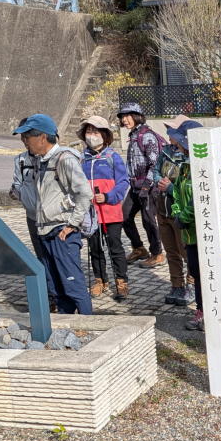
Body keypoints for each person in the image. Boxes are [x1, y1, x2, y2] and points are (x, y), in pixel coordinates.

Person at [12, 113, 94, 315]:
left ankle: (89, 325)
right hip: (44, 230)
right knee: (57, 287)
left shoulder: (64, 159)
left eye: (27, 137)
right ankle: (65, 325)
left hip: (61, 231)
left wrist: (72, 224)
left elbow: (85, 193)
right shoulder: (40, 161)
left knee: (73, 285)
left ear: (42, 137)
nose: (25, 142)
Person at [79, 115, 130, 302]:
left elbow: (123, 182)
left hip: (111, 211)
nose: (91, 135)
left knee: (115, 247)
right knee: (94, 247)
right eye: (88, 131)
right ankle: (100, 280)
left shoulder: (112, 157)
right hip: (90, 212)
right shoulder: (82, 158)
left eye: (95, 131)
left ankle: (121, 281)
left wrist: (108, 196)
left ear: (104, 135)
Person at [9, 116, 57, 310]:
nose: (24, 140)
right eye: (22, 137)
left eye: (27, 136)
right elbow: (17, 184)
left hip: (54, 219)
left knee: (57, 257)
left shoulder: (52, 157)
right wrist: (19, 193)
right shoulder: (20, 160)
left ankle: (62, 294)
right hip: (33, 217)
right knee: (41, 257)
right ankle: (49, 296)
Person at [166, 118, 206, 330]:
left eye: (180, 141)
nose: (177, 145)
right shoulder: (184, 167)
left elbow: (200, 198)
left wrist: (185, 216)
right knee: (196, 273)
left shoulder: (204, 166)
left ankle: (212, 313)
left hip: (204, 231)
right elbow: (177, 195)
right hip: (188, 232)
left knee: (208, 274)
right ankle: (201, 311)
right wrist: (177, 213)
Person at [153, 115, 195, 307]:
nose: (169, 135)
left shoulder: (190, 156)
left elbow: (185, 186)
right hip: (163, 208)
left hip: (180, 210)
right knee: (171, 251)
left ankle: (192, 285)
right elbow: (156, 170)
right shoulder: (166, 151)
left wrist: (171, 188)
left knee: (186, 251)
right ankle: (176, 285)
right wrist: (160, 181)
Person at [118, 102, 164, 268]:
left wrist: (146, 186)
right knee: (124, 216)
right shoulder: (134, 135)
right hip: (135, 185)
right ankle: (139, 248)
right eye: (123, 117)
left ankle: (157, 253)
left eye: (128, 116)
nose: (124, 120)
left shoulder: (147, 136)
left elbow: (155, 163)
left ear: (137, 116)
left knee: (148, 220)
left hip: (148, 186)